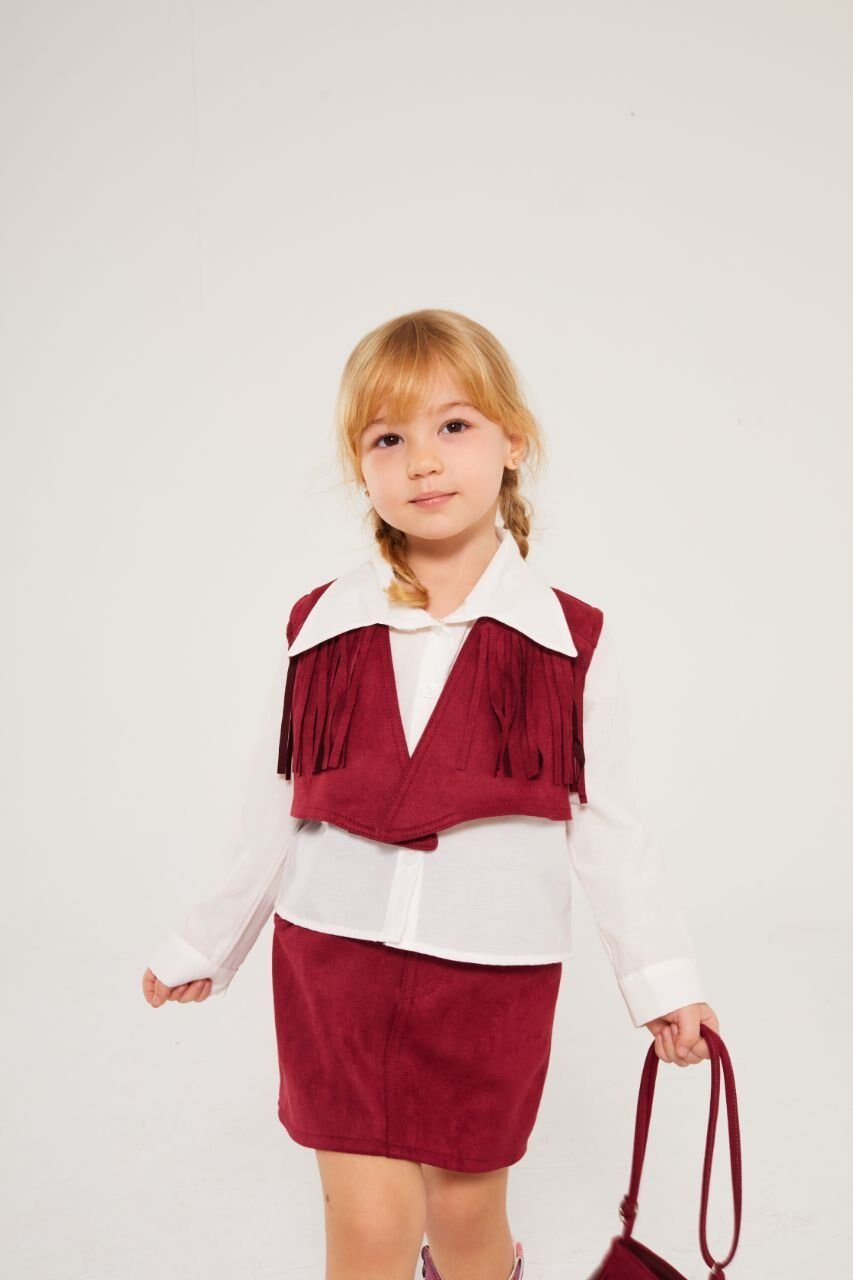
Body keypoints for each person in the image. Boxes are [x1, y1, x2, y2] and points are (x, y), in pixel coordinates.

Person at [142, 308, 720, 1280]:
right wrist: (211, 941)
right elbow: (273, 801)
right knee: (367, 1225)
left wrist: (659, 980)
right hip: (333, 962)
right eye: (387, 438)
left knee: (464, 1212)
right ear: (359, 467)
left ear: (511, 441)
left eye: (453, 425)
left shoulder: (570, 639)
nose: (422, 460)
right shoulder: (318, 624)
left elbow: (610, 827)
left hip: (491, 976)